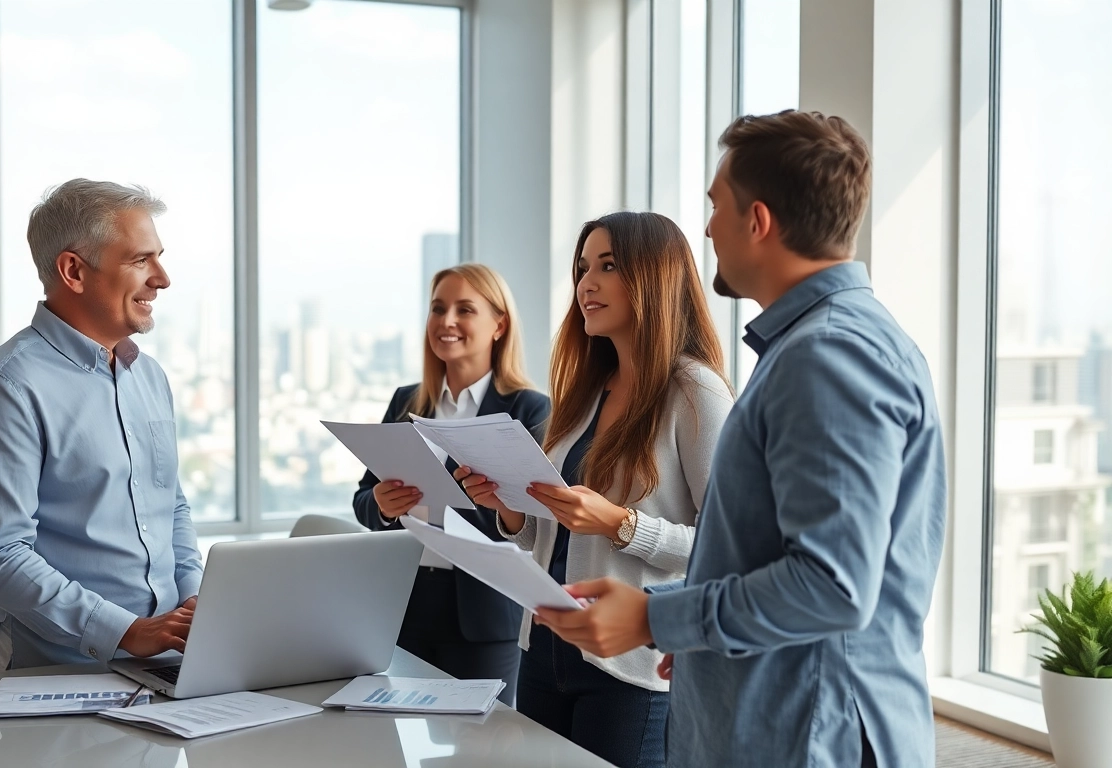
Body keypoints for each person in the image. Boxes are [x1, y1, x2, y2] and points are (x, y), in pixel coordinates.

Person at [534, 111, 947, 768]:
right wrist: (701, 631)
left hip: (809, 734)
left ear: (757, 221)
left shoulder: (830, 356)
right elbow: (770, 551)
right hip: (781, 717)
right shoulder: (813, 348)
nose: (706, 230)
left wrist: (654, 618)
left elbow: (832, 586)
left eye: (715, 206)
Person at [456, 211, 733, 768]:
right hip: (544, 648)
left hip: (627, 666)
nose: (587, 283)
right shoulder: (585, 391)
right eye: (583, 268)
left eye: (608, 266)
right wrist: (510, 510)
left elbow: (726, 547)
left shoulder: (694, 391)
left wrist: (620, 524)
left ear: (655, 278)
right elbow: (548, 534)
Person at [0, 178, 203, 671]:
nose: (162, 279)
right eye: (140, 260)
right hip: (53, 671)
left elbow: (170, 506)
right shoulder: (4, 387)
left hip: (165, 663)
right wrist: (126, 631)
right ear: (74, 271)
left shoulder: (148, 376)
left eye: (159, 258)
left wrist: (194, 601)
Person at [353, 263, 549, 706]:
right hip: (406, 605)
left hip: (484, 613)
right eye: (438, 309)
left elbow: (537, 523)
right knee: (397, 729)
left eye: (465, 309)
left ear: (499, 325)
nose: (447, 321)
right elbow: (363, 499)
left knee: (480, 738)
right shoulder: (407, 401)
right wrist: (383, 504)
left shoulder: (529, 410)